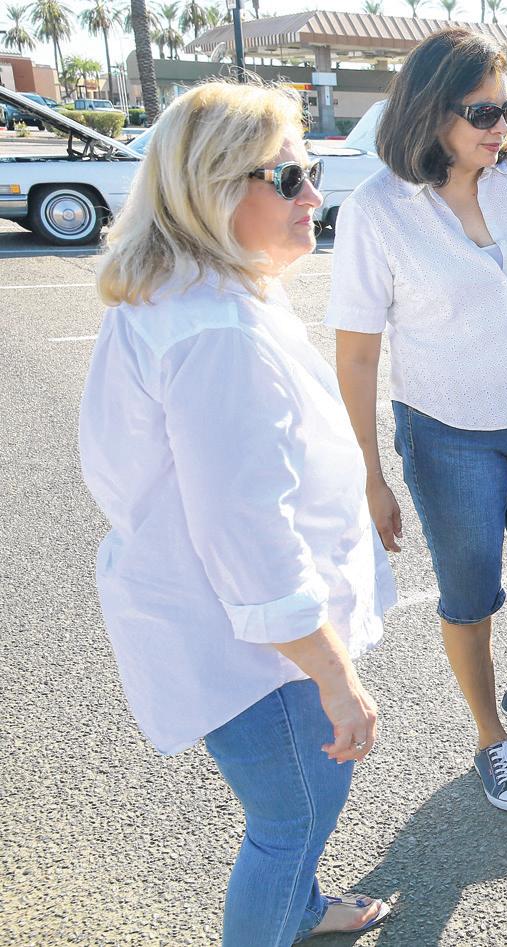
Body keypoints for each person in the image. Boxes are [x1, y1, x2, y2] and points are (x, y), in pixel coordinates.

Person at [79, 81, 397, 945]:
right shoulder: (216, 331)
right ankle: (282, 912)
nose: (314, 195)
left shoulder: (194, 289)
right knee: (292, 819)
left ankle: (302, 906)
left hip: (225, 619)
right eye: (288, 177)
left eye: (312, 170)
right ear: (214, 188)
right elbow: (250, 540)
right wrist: (335, 676)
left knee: (292, 815)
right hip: (258, 649)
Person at [326, 26, 507, 814]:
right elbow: (357, 357)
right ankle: (491, 735)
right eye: (485, 112)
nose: (502, 126)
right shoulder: (377, 211)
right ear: (431, 111)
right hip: (447, 434)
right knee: (471, 594)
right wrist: (370, 477)